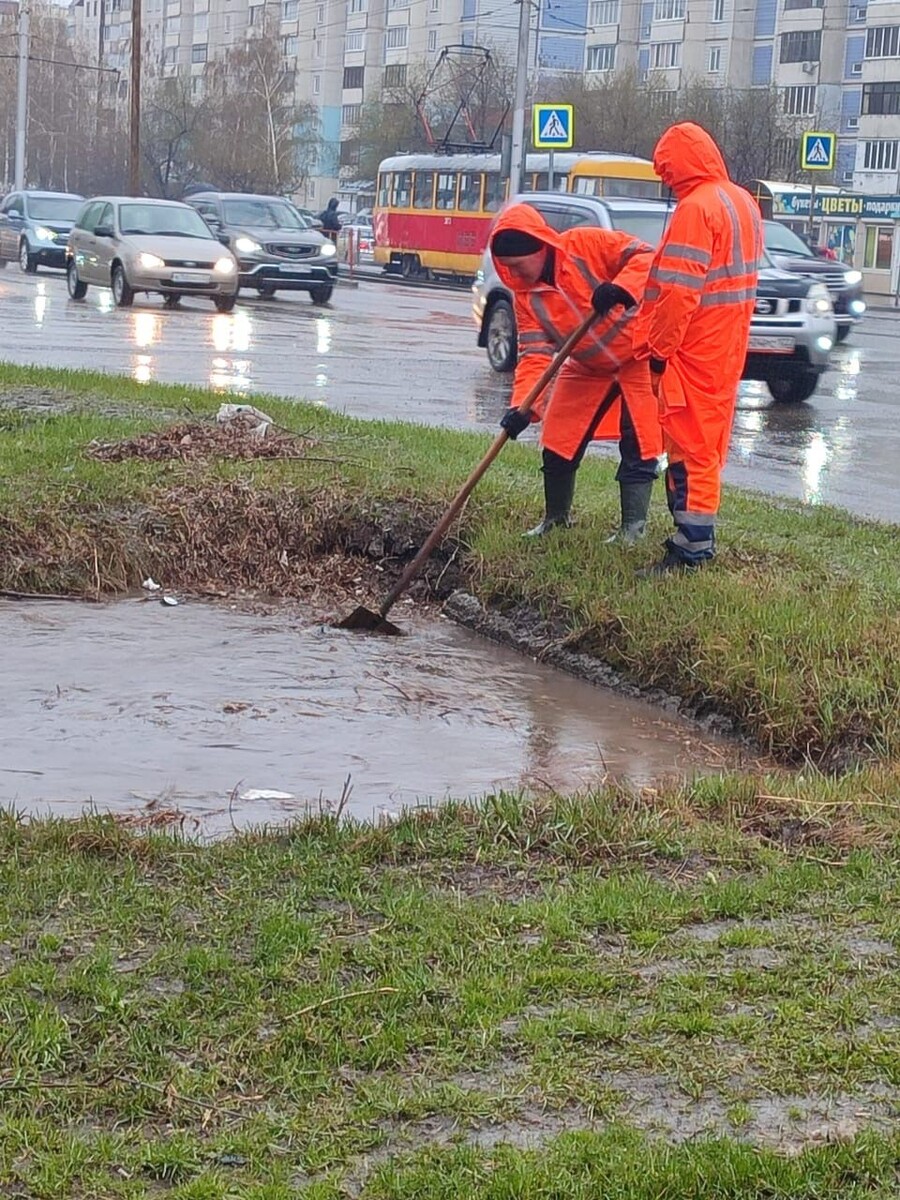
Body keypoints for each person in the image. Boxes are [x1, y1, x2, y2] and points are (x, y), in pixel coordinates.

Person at [632, 121, 763, 574]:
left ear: (679, 165)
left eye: (666, 170)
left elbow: (677, 294)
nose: (665, 179)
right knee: (707, 444)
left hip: (693, 348)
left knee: (691, 451)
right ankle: (695, 540)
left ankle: (691, 547)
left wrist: (658, 352)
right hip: (727, 347)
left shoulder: (696, 209)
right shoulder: (743, 201)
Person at [491, 203, 664, 542]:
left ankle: (633, 529)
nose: (514, 272)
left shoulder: (585, 245)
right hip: (587, 367)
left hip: (637, 357)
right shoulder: (525, 297)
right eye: (505, 266)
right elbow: (535, 355)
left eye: (517, 264)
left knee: (640, 441)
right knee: (558, 439)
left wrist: (619, 287)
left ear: (539, 247)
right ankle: (556, 519)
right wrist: (522, 408)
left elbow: (646, 256)